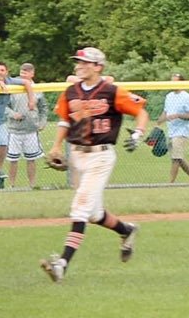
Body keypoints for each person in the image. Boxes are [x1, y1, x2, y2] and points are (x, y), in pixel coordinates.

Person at [41, 47, 147, 283]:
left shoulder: (111, 91)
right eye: (78, 62)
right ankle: (126, 230)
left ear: (98, 66)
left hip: (101, 156)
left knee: (80, 208)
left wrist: (138, 133)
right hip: (77, 155)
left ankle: (62, 264)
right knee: (94, 214)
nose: (79, 66)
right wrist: (56, 147)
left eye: (85, 62)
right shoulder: (71, 91)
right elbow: (65, 120)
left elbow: (141, 112)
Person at [5, 63, 46, 189]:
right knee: (13, 160)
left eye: (26, 72)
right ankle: (12, 185)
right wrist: (13, 114)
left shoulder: (37, 89)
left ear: (32, 73)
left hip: (31, 129)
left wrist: (42, 122)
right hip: (14, 129)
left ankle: (32, 185)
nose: (23, 74)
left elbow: (43, 108)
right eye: (22, 72)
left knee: (31, 159)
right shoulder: (12, 88)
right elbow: (3, 106)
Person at [161, 73, 189, 184]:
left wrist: (178, 115)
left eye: (175, 81)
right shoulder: (169, 96)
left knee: (176, 158)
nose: (172, 83)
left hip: (181, 131)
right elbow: (165, 112)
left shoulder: (186, 97)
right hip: (171, 130)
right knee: (178, 158)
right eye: (171, 81)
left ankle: (170, 183)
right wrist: (158, 123)